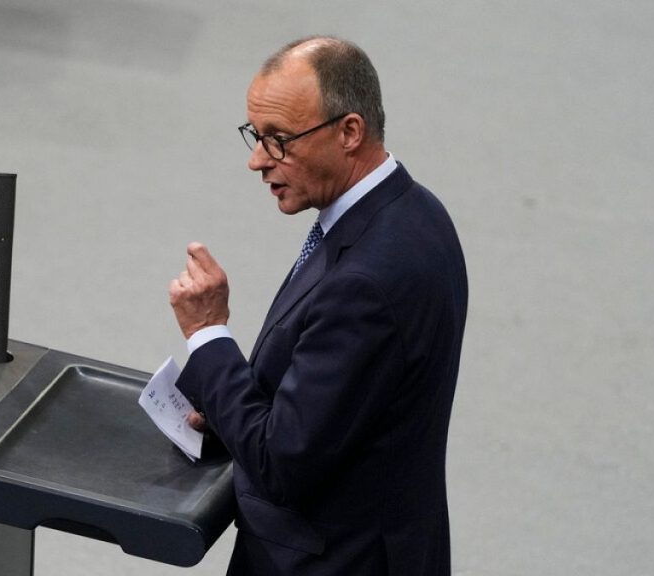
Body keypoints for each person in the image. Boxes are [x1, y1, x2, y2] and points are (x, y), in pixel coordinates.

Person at [168, 36, 468, 576]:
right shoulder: (415, 210)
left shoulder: (367, 283)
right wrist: (234, 411)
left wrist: (209, 334)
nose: (258, 161)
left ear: (349, 132)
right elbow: (342, 403)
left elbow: (283, 465)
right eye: (255, 137)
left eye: (280, 140)